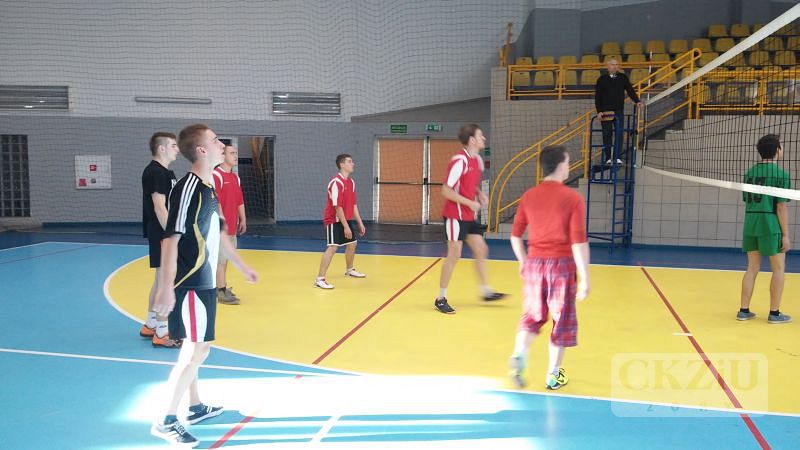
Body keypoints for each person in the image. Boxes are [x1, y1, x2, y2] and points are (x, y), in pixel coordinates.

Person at [151, 124, 258, 446]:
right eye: (214, 140)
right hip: (191, 282)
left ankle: (195, 406)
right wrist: (165, 287)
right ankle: (165, 420)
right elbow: (171, 238)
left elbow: (220, 234)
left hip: (207, 281)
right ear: (201, 150)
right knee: (194, 351)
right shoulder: (188, 188)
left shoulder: (210, 186)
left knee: (200, 348)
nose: (221, 144)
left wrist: (241, 266)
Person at [508, 145, 590, 390]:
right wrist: (585, 278)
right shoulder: (572, 198)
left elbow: (515, 236)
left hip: (534, 264)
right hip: (561, 267)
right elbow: (578, 242)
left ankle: (519, 354)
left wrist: (523, 261)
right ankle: (553, 375)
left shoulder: (528, 196)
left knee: (532, 316)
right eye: (568, 162)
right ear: (562, 165)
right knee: (561, 320)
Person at [434, 124, 506, 314]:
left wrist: (478, 193)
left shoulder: (477, 160)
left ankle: (485, 291)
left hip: (468, 214)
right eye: (481, 136)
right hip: (454, 215)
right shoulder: (460, 161)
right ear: (472, 140)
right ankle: (440, 298)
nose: (484, 138)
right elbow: (446, 190)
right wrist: (469, 202)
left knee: (481, 249)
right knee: (454, 254)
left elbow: (467, 183)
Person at [738, 134, 792, 324]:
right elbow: (781, 206)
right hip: (770, 223)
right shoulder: (781, 175)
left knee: (752, 268)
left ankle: (743, 311)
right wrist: (785, 235)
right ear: (777, 149)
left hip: (751, 222)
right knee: (778, 268)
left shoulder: (750, 173)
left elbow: (747, 200)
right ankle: (774, 314)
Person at [140, 131, 181, 348]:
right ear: (162, 148)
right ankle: (162, 332)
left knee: (160, 280)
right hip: (161, 234)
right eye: (173, 146)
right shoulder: (155, 172)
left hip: (162, 233)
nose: (177, 149)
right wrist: (172, 235)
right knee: (166, 281)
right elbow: (159, 207)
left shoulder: (167, 172)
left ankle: (151, 324)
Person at [314, 153, 367, 289]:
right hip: (334, 219)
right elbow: (337, 207)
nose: (353, 164)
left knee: (352, 244)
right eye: (350, 161)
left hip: (345, 218)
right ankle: (320, 279)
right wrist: (346, 227)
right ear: (342, 165)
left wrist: (360, 222)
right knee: (333, 247)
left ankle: (350, 269)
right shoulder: (336, 183)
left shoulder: (351, 182)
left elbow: (353, 205)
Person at [213, 145, 247, 305]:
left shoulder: (235, 177)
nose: (235, 156)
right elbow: (215, 201)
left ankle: (222, 287)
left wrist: (243, 219)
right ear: (223, 156)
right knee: (220, 260)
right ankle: (220, 291)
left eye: (236, 153)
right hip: (220, 228)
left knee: (225, 259)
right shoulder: (216, 175)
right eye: (232, 153)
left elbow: (239, 200)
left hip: (232, 227)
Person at [594, 57, 641, 165]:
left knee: (619, 133)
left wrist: (637, 101)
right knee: (607, 134)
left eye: (616, 65)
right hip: (605, 111)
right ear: (608, 67)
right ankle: (608, 158)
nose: (615, 67)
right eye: (612, 64)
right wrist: (599, 111)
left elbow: (630, 90)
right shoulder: (602, 79)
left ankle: (617, 157)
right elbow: (598, 96)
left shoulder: (623, 77)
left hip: (618, 111)